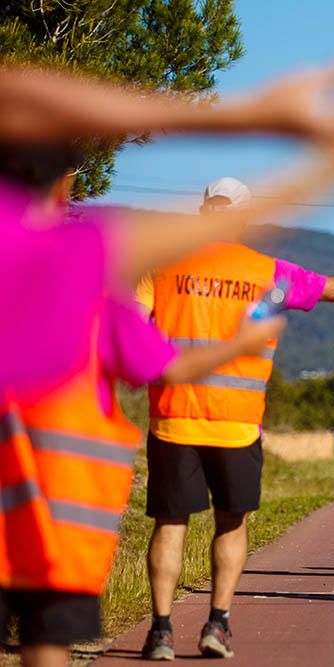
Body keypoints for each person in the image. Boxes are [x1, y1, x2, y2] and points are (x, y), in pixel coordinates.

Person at [135, 177, 334, 660]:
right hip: (237, 425)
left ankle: (160, 631)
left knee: (170, 524)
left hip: (173, 419)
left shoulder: (163, 268)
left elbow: (128, 328)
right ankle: (217, 624)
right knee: (231, 524)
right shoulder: (266, 272)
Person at [0, 61, 334, 400]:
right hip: (91, 488)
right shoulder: (65, 261)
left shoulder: (64, 250)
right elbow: (155, 361)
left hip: (196, 424)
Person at [0, 146, 284, 667]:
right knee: (218, 524)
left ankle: (172, 629)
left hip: (191, 422)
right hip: (195, 426)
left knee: (181, 523)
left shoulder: (163, 265)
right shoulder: (87, 263)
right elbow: (146, 351)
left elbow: (135, 325)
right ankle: (198, 623)